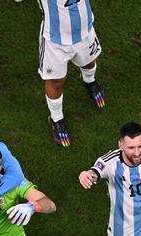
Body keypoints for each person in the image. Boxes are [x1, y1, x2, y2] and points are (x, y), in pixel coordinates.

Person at [38, 0, 106, 147]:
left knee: (89, 61)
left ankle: (90, 81)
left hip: (85, 30)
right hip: (55, 39)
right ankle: (56, 118)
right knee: (56, 80)